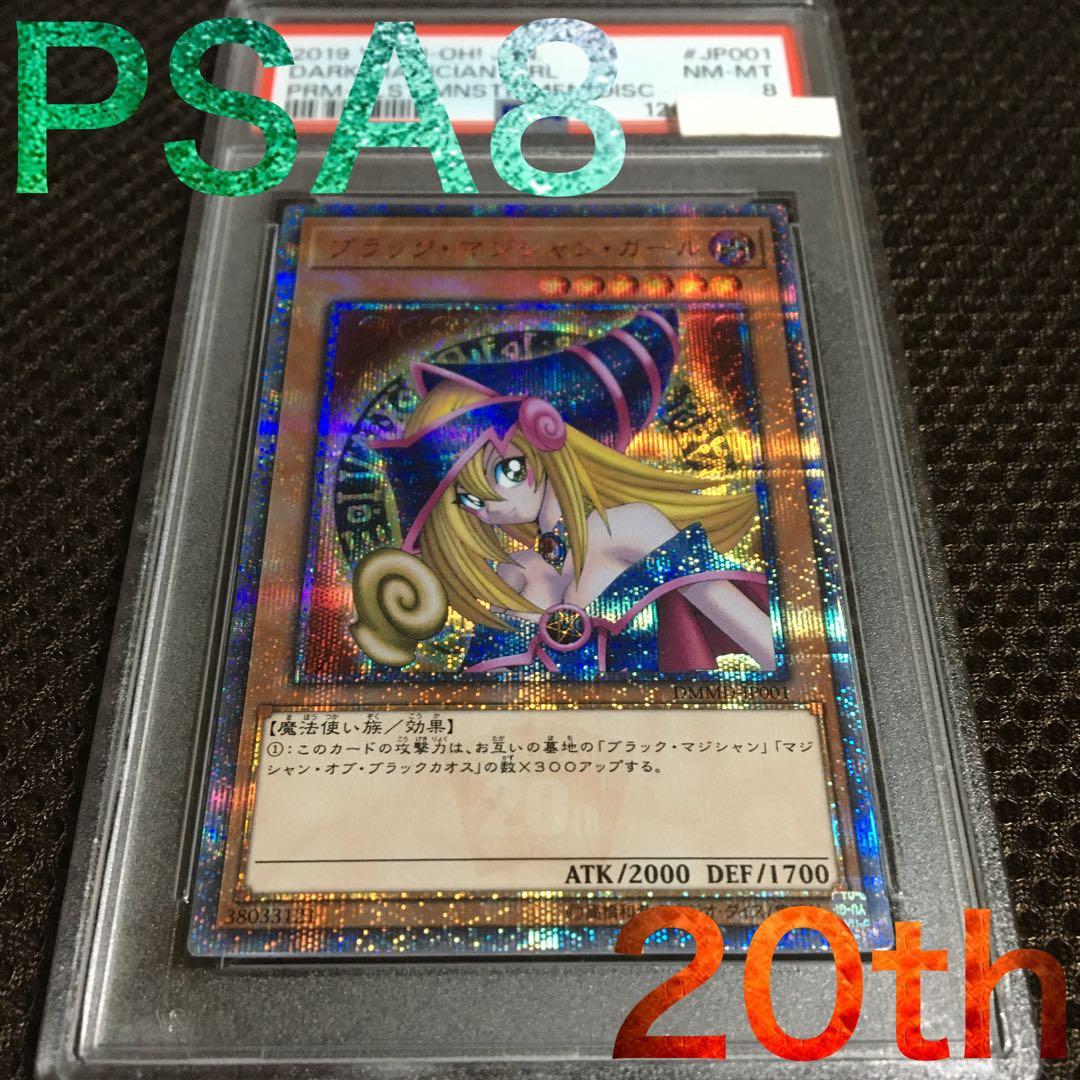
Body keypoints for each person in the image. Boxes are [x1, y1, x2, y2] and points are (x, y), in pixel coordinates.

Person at [352, 309, 774, 675]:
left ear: (546, 438)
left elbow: (764, 642)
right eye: (470, 500)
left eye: (505, 472)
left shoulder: (631, 527)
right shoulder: (516, 571)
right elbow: (486, 699)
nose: (491, 508)